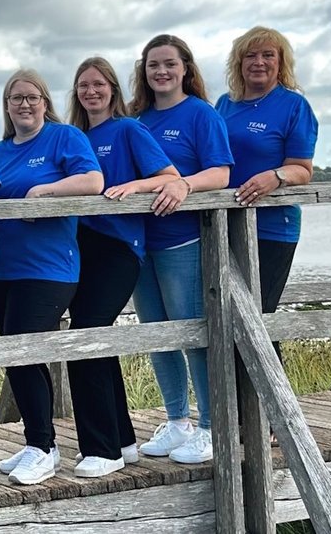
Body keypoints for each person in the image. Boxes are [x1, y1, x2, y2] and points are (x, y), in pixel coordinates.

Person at [0, 68, 104, 485]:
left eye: (32, 97)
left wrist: (45, 192)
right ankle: (36, 440)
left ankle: (45, 447)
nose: (24, 104)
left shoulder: (64, 138)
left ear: (45, 101)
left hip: (48, 268)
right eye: (16, 98)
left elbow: (93, 181)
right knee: (13, 355)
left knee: (24, 349)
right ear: (6, 105)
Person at [65, 56, 179, 478]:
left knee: (86, 336)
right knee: (93, 334)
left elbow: (170, 176)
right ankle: (124, 440)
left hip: (119, 246)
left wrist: (136, 184)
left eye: (98, 84)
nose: (91, 92)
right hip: (80, 247)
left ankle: (102, 448)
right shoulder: (74, 136)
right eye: (83, 86)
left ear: (113, 89)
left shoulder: (129, 129)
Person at [127, 34, 235, 464]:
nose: (161, 72)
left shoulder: (200, 115)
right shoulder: (137, 118)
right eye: (153, 65)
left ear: (185, 68)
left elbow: (222, 173)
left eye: (169, 64)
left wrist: (183, 183)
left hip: (183, 240)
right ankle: (177, 422)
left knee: (193, 333)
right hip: (140, 242)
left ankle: (210, 427)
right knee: (158, 335)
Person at [220, 26, 318, 362]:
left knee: (257, 317)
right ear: (239, 62)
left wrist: (274, 177)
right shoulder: (225, 104)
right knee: (226, 317)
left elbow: (302, 169)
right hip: (224, 223)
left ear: (281, 62)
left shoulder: (293, 106)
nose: (258, 62)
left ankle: (268, 408)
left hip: (273, 227)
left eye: (267, 55)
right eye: (250, 55)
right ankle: (234, 410)